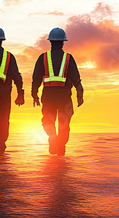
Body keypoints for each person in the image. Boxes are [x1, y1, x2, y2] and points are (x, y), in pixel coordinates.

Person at [31, 27, 84, 156]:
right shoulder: (68, 58)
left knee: (48, 121)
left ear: (50, 42)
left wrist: (35, 96)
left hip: (48, 95)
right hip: (64, 96)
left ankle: (53, 137)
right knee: (64, 123)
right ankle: (60, 146)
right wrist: (80, 94)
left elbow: (36, 79)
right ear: (63, 42)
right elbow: (76, 78)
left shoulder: (43, 58)